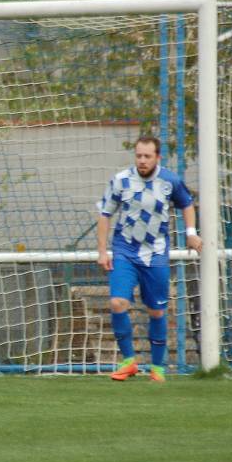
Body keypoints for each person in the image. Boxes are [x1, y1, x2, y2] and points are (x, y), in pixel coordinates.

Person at [96, 135, 202, 383]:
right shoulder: (121, 181)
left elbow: (187, 205)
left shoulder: (170, 181)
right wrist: (102, 251)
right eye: (139, 156)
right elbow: (104, 214)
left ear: (157, 157)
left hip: (155, 254)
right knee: (117, 303)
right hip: (125, 251)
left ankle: (157, 368)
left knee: (156, 311)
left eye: (147, 156)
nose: (142, 161)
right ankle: (129, 362)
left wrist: (191, 233)